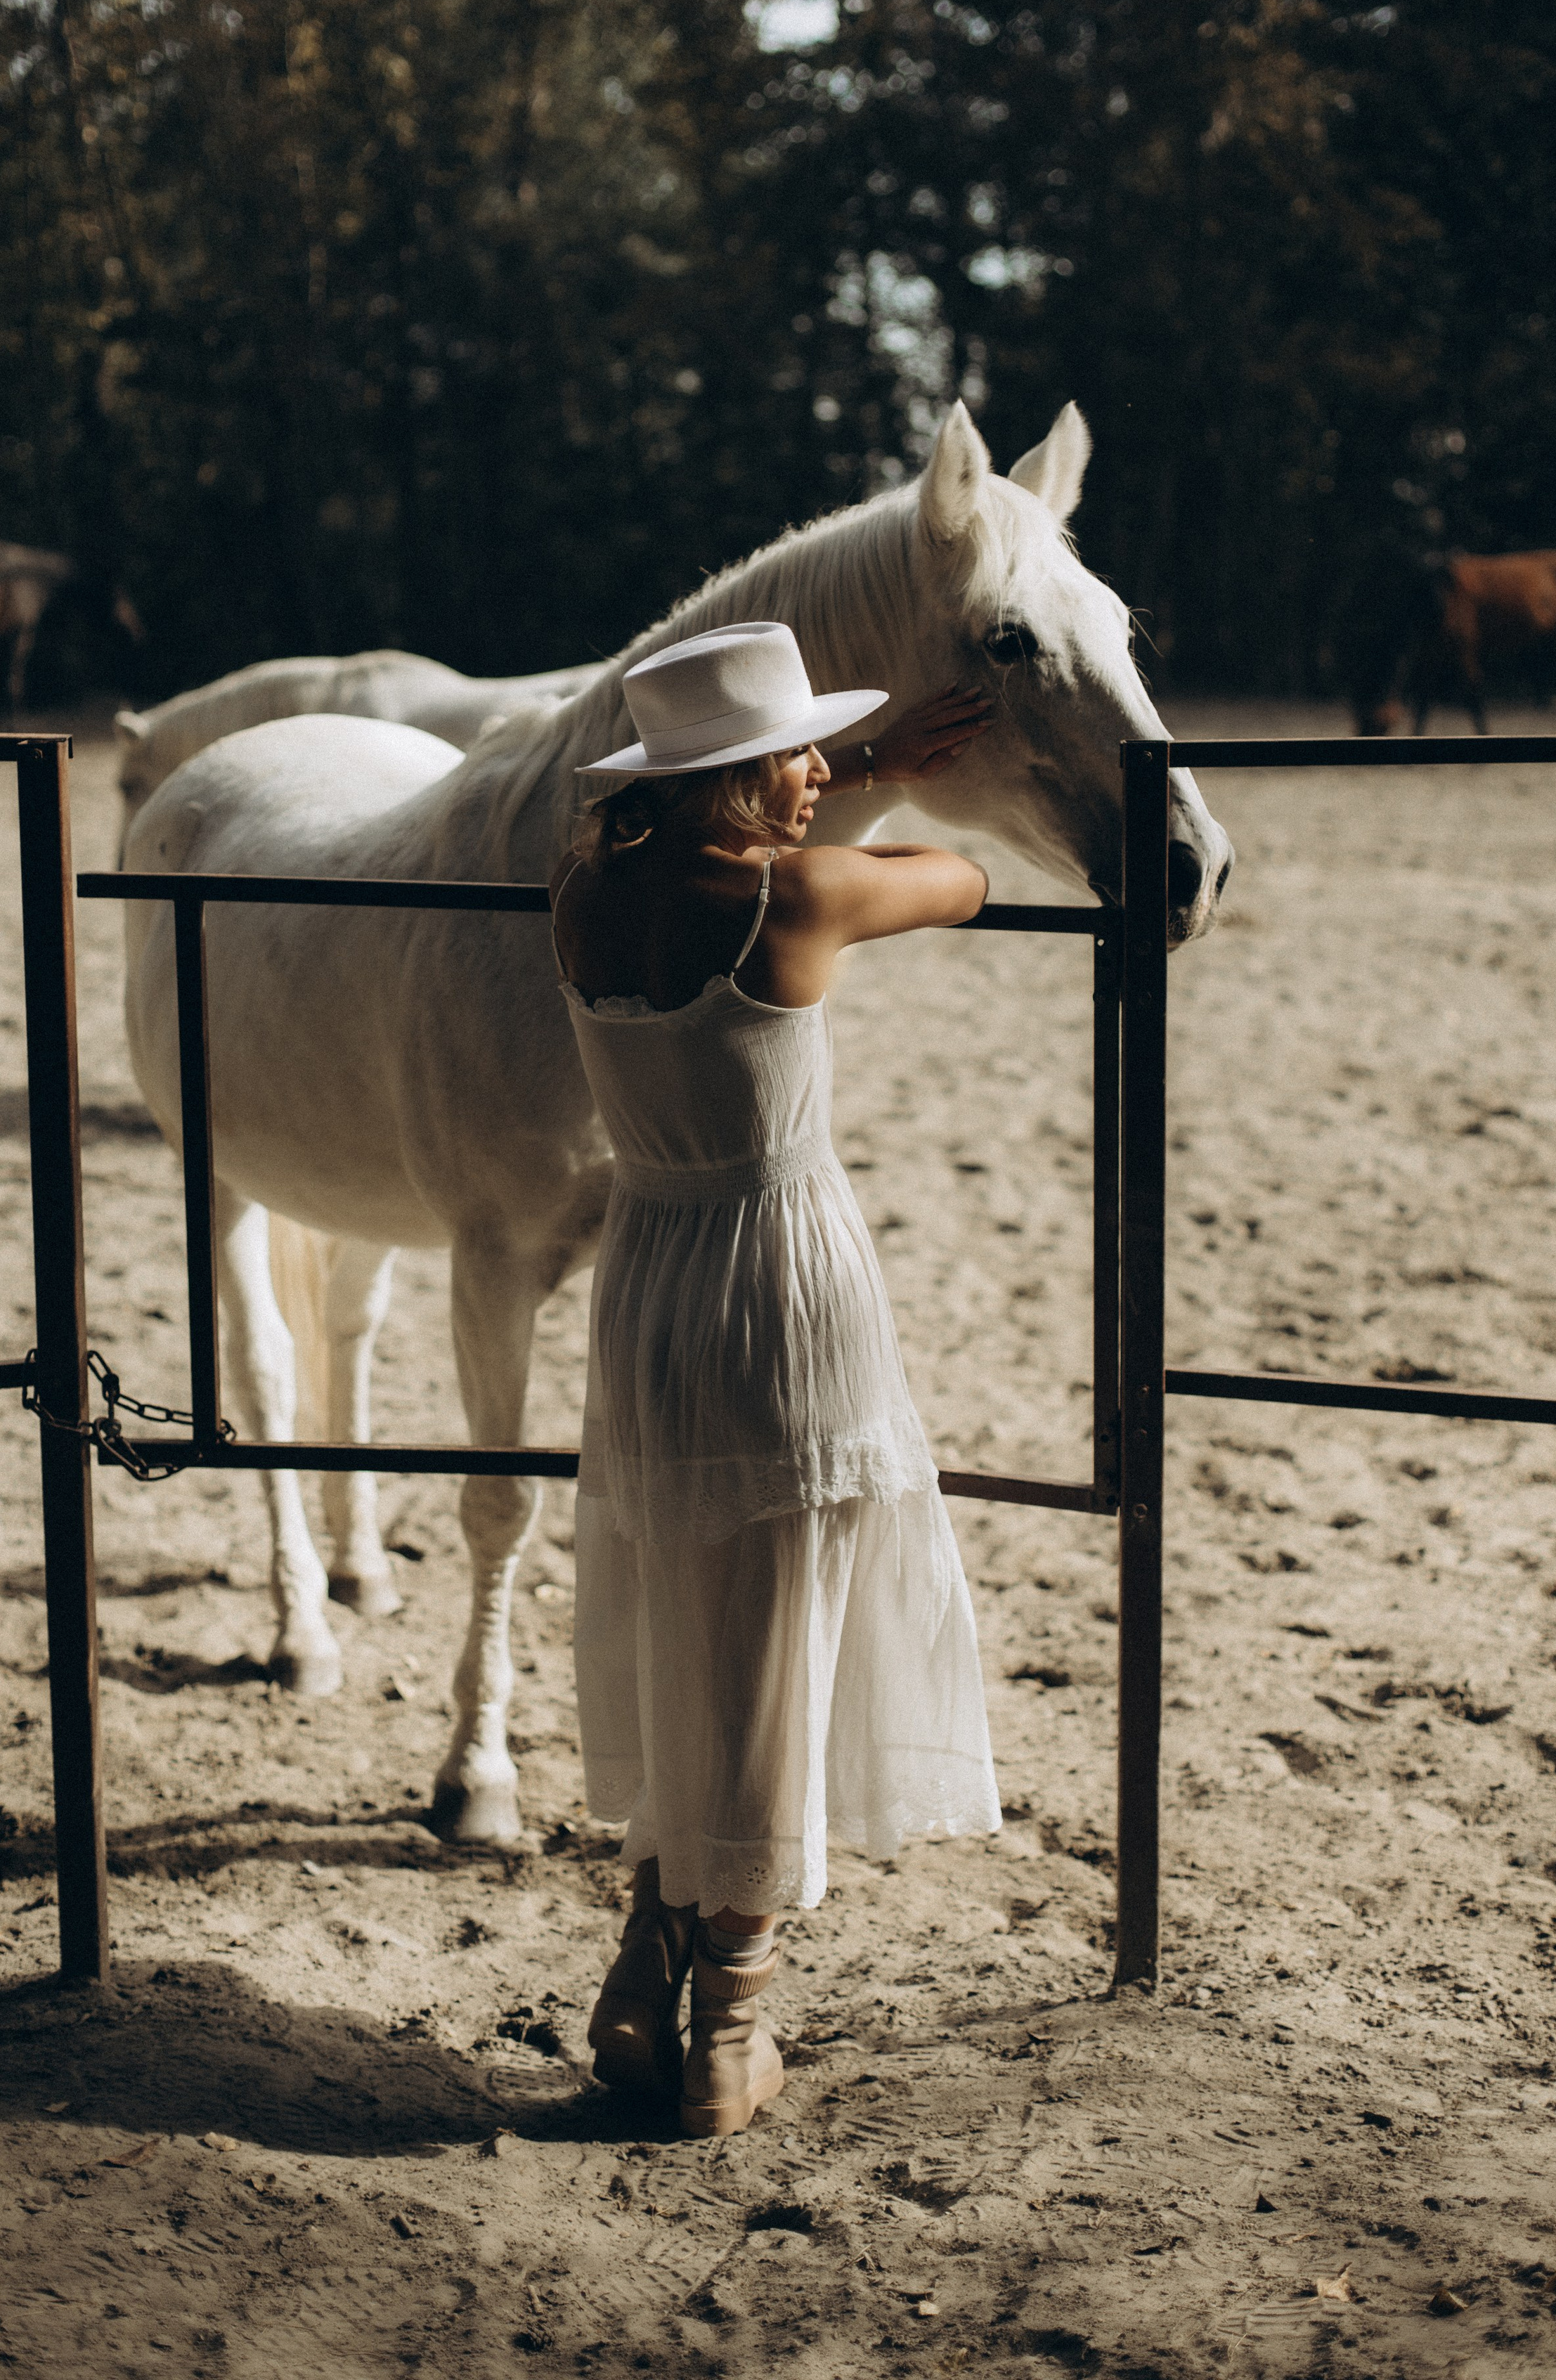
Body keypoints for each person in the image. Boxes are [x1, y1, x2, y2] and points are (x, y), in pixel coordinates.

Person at [550, 619, 1004, 2138]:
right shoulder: (796, 900)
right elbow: (962, 880)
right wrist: (874, 795)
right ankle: (730, 2029)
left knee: (687, 1620)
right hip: (776, 1283)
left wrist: (845, 764)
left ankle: (640, 1961)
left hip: (650, 1284)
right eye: (794, 755)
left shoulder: (586, 893)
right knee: (778, 1647)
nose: (821, 774)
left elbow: (715, 832)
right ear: (725, 782)